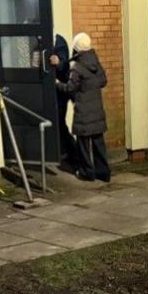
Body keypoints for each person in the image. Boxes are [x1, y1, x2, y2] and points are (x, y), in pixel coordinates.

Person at [56, 32, 110, 183]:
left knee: (84, 145)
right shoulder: (96, 63)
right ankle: (103, 172)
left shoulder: (77, 68)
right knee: (99, 143)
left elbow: (69, 89)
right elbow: (103, 81)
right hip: (97, 110)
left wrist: (57, 84)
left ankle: (87, 172)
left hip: (83, 112)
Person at [48, 34, 79, 171]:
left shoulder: (59, 41)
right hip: (51, 90)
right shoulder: (39, 40)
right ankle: (66, 153)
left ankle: (71, 152)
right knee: (55, 123)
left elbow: (63, 65)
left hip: (60, 92)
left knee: (59, 123)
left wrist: (58, 61)